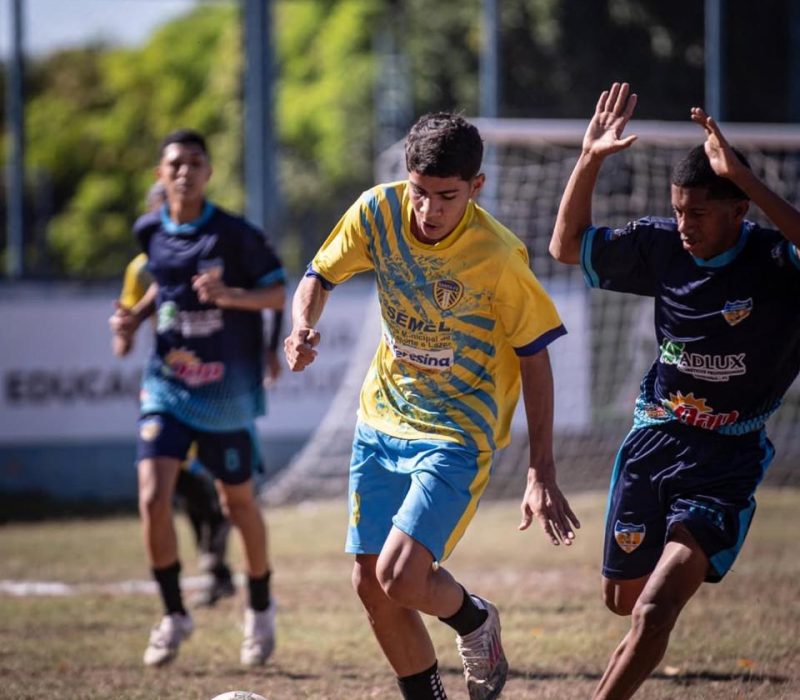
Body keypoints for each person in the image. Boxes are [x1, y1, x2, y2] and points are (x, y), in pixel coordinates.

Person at [285, 112, 579, 700]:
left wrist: (540, 469)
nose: (428, 210)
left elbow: (535, 356)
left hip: (457, 431)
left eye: (446, 197)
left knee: (400, 577)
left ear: (477, 187)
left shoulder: (497, 257)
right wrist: (301, 327)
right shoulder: (376, 211)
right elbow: (319, 274)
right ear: (406, 178)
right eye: (419, 193)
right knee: (371, 584)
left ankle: (474, 621)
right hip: (380, 416)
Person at [549, 82, 800, 699]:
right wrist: (590, 159)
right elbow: (563, 247)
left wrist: (743, 175)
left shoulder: (773, 260)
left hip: (728, 460)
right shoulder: (661, 244)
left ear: (739, 210)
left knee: (654, 610)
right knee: (623, 601)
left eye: (700, 212)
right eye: (679, 209)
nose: (684, 224)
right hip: (656, 440)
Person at [110, 128, 286, 668]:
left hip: (225, 393)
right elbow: (162, 286)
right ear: (160, 175)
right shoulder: (150, 232)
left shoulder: (235, 235)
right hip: (166, 384)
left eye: (195, 163)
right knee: (151, 496)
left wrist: (232, 297)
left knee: (238, 504)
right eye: (175, 163)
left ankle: (259, 606)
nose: (184, 171)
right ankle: (173, 614)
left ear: (209, 174)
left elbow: (280, 291)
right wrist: (131, 320)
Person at [113, 181, 237, 609]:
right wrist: (123, 331)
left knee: (215, 483)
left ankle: (217, 551)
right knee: (166, 485)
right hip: (168, 388)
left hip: (213, 386)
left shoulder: (211, 256)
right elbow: (124, 337)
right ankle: (212, 555)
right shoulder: (140, 270)